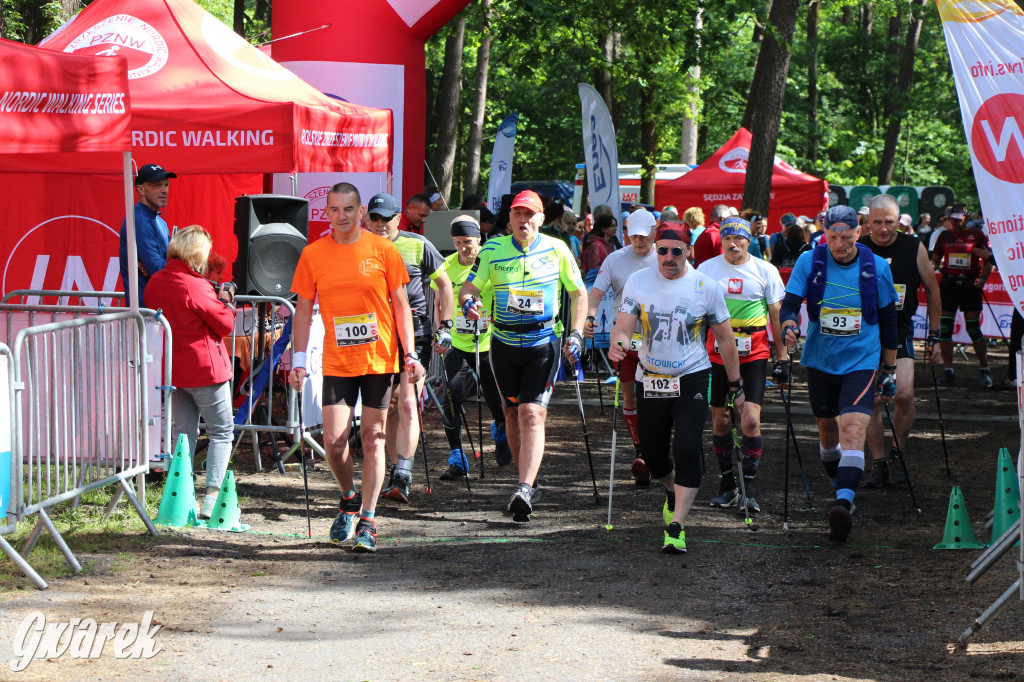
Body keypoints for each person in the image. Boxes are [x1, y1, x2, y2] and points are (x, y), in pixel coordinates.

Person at [289, 182, 423, 553]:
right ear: (327, 213)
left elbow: (401, 306)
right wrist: (299, 360)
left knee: (373, 438)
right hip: (337, 360)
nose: (341, 216)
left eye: (348, 209)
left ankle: (368, 519)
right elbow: (302, 310)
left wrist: (409, 354)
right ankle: (348, 497)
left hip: (379, 358)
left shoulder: (382, 250)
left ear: (360, 211)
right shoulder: (314, 254)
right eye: (334, 210)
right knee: (333, 441)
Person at [608, 221, 745, 553]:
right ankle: (672, 489)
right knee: (653, 458)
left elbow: (726, 340)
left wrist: (736, 385)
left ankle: (676, 525)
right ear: (656, 249)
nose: (668, 257)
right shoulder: (637, 282)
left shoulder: (706, 286)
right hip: (650, 377)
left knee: (686, 447)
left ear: (689, 251)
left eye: (676, 251)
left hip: (691, 376)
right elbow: (623, 326)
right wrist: (619, 345)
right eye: (663, 250)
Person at [459, 190, 587, 523]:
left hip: (543, 342)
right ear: (510, 218)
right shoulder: (492, 250)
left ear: (542, 219)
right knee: (511, 413)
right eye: (518, 214)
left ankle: (525, 487)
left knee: (532, 412)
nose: (523, 220)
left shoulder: (557, 249)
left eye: (530, 214)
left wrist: (575, 334)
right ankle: (525, 480)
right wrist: (468, 302)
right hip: (501, 343)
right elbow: (470, 287)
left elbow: (578, 292)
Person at [779, 205, 899, 543]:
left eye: (847, 237)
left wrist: (888, 368)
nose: (840, 245)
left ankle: (844, 504)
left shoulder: (875, 267)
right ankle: (841, 486)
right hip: (820, 360)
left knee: (853, 429)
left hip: (862, 360)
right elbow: (789, 305)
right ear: (824, 233)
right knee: (828, 434)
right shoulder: (810, 261)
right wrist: (788, 324)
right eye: (833, 237)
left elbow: (889, 321)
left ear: (858, 232)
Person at [363, 192, 454, 502]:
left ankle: (404, 473)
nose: (379, 224)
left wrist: (446, 327)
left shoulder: (417, 244)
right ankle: (393, 470)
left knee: (407, 401)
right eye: (374, 218)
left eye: (385, 218)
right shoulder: (360, 247)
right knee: (387, 406)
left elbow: (445, 285)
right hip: (377, 332)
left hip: (414, 331)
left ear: (397, 219)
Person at [697, 216, 788, 513]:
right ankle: (727, 483)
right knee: (721, 420)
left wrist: (783, 356)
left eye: (739, 239)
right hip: (715, 355)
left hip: (755, 354)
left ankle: (749, 485)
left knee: (749, 418)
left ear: (749, 241)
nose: (733, 244)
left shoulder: (765, 270)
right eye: (727, 239)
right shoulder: (707, 269)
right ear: (721, 240)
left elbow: (776, 317)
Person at [145, 226, 235, 520]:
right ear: (198, 254)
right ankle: (211, 499)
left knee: (182, 435)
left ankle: (181, 497)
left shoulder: (157, 280)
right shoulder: (193, 285)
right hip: (205, 370)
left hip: (172, 371)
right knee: (221, 432)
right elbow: (225, 324)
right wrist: (226, 301)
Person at [859, 194, 942, 488]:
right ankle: (878, 463)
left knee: (904, 395)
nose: (883, 228)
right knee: (868, 400)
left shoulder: (912, 247)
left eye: (889, 222)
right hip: (865, 333)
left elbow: (933, 291)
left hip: (901, 330)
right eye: (877, 222)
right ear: (868, 222)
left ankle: (897, 453)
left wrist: (934, 337)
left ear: (899, 220)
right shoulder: (858, 248)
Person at [431, 214, 512, 479]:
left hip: (488, 343)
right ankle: (457, 456)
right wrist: (439, 332)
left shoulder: (489, 263)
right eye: (457, 242)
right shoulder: (446, 266)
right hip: (457, 343)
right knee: (450, 398)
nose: (463, 247)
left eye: (467, 241)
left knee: (494, 398)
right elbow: (438, 303)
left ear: (478, 238)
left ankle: (500, 429)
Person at [585, 208, 658, 485]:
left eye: (644, 236)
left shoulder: (666, 255)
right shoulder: (615, 259)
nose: (639, 241)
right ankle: (641, 452)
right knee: (630, 398)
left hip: (658, 342)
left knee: (654, 397)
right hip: (625, 340)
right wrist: (590, 317)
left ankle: (655, 451)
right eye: (633, 235)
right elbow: (595, 293)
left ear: (655, 230)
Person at [930, 202, 994, 386]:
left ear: (966, 218)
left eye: (958, 220)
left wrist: (983, 279)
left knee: (973, 328)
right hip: (949, 284)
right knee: (945, 328)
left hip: (969, 285)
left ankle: (984, 368)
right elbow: (934, 260)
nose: (955, 223)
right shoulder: (945, 235)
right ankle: (948, 370)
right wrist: (926, 272)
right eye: (952, 219)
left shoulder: (976, 235)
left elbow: (988, 260)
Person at [119, 163, 176, 307]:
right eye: (158, 185)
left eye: (166, 185)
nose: (164, 190)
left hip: (157, 308)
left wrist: (171, 262)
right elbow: (158, 270)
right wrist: (177, 262)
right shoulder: (138, 220)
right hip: (144, 311)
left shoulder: (159, 221)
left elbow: (162, 267)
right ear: (141, 189)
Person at [583, 214, 618, 286]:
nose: (615, 228)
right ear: (603, 229)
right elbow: (592, 270)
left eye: (615, 225)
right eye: (612, 226)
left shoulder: (610, 245)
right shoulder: (595, 246)